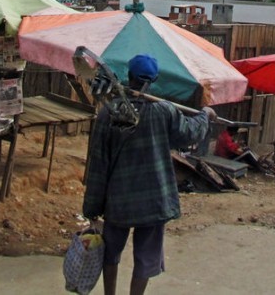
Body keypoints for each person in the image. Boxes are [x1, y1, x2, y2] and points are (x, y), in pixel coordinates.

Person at [83, 54, 217, 295]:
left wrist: (92, 208)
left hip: (119, 200)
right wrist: (205, 115)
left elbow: (98, 165)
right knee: (146, 257)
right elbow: (190, 133)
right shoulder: (164, 112)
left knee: (110, 252)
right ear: (154, 80)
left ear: (130, 77)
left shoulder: (108, 113)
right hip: (153, 199)